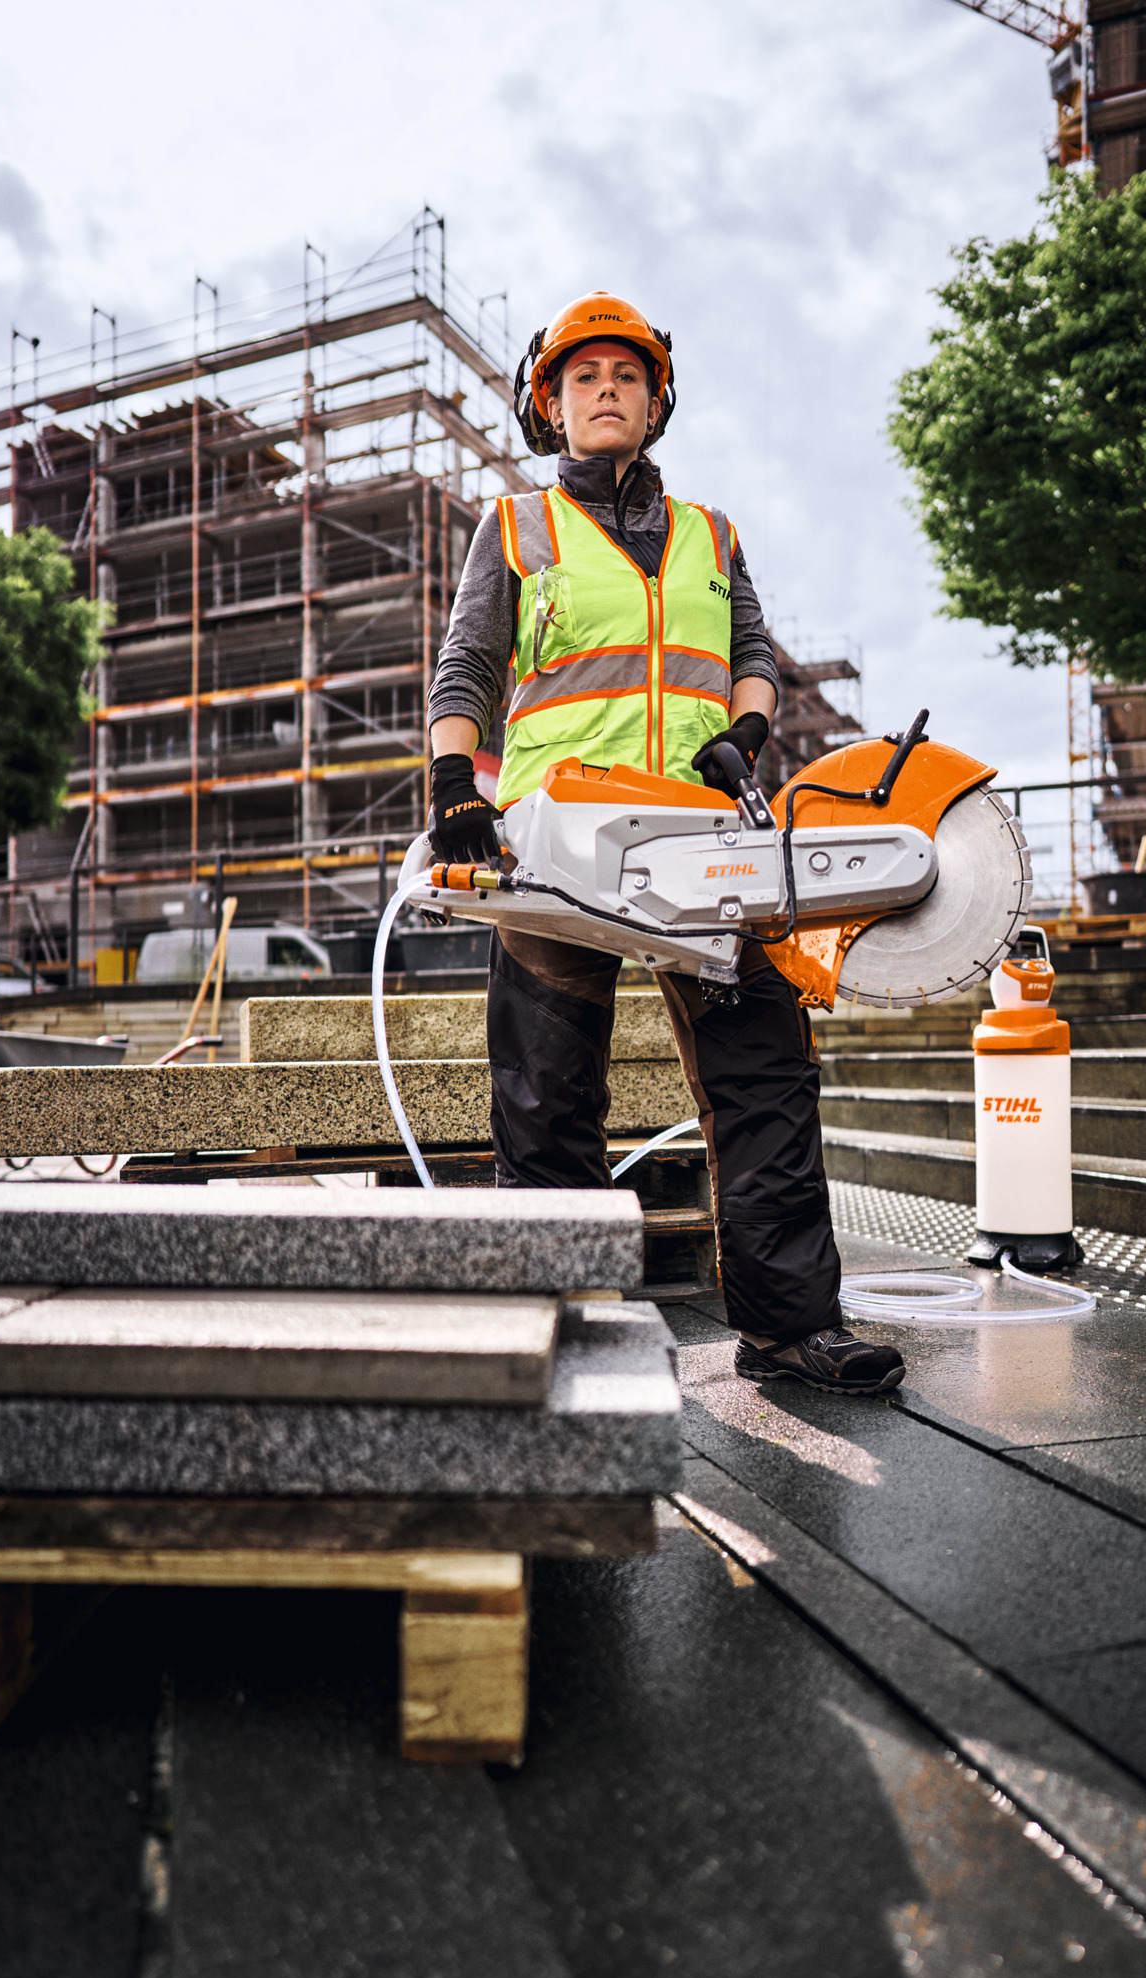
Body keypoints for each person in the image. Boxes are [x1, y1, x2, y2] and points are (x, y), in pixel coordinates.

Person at [425, 293, 903, 1396]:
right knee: (547, 1094)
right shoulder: (515, 528)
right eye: (584, 377)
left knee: (766, 1071)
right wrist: (454, 786)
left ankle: (790, 1328)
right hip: (556, 844)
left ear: (655, 402)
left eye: (627, 376)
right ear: (550, 405)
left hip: (702, 843)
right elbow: (467, 668)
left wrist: (747, 731)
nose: (607, 390)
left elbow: (752, 654)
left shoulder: (711, 534)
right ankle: (560, 1324)